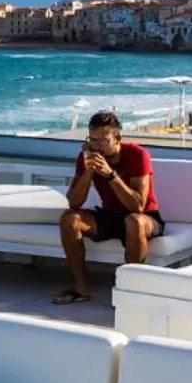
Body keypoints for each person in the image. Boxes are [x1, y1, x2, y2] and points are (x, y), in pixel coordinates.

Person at [54, 110, 164, 304]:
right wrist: (88, 172)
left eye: (103, 141)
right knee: (69, 218)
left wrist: (110, 175)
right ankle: (80, 287)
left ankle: (131, 292)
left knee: (133, 221)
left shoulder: (137, 155)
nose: (97, 146)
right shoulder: (86, 156)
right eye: (92, 140)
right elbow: (74, 202)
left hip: (145, 217)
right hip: (110, 215)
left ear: (117, 138)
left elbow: (137, 205)